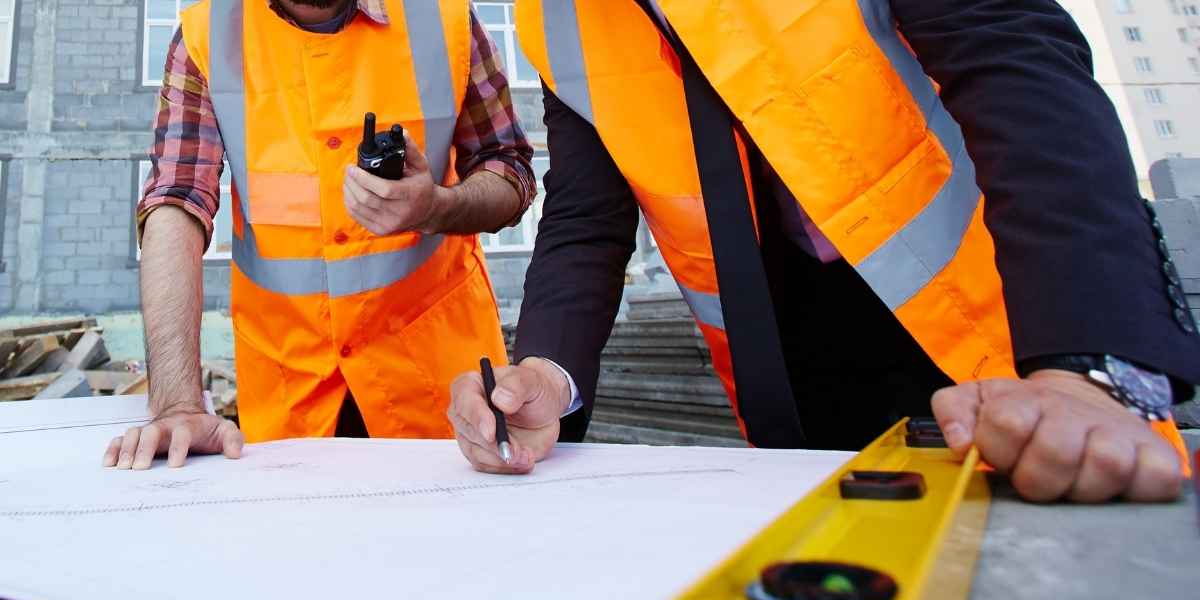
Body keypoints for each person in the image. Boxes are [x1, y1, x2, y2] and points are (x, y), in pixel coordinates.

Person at [446, 0, 1200, 503]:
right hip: (789, 371)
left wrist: (1085, 365)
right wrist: (546, 373)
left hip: (1009, 339)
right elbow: (585, 215)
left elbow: (1013, 59)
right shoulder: (558, 17)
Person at [105, 0, 537, 470]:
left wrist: (437, 207)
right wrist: (177, 404)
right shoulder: (206, 36)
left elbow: (508, 167)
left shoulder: (444, 17)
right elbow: (175, 203)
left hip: (444, 396)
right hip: (291, 404)